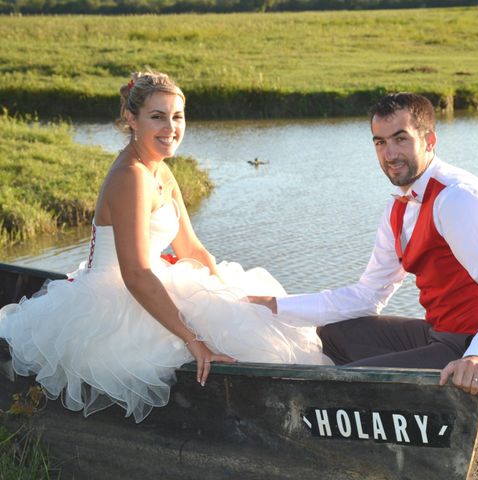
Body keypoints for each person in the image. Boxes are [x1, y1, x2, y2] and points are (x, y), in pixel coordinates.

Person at [0, 71, 330, 423]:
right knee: (213, 343)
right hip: (117, 298)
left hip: (156, 280)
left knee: (257, 319)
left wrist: (230, 294)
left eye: (177, 116)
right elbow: (136, 274)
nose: (170, 128)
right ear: (131, 118)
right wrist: (192, 338)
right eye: (157, 117)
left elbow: (191, 248)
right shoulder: (131, 176)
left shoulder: (160, 170)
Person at [250, 92, 478, 396]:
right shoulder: (399, 208)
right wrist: (278, 306)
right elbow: (367, 296)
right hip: (445, 337)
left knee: (337, 384)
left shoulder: (458, 196)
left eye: (400, 139)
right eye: (380, 142)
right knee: (333, 335)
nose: (390, 154)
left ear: (429, 140)